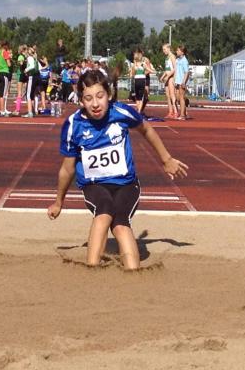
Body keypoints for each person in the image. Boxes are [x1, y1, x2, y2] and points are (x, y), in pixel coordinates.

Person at [47, 70, 188, 270]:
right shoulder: (73, 125)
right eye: (88, 98)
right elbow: (67, 169)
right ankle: (91, 270)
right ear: (80, 101)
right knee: (104, 212)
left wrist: (166, 159)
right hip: (94, 185)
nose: (95, 104)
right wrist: (58, 202)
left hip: (126, 184)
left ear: (109, 95)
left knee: (120, 223)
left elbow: (146, 129)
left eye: (100, 96)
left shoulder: (121, 112)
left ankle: (134, 273)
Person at [160, 43, 177, 119]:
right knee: (167, 96)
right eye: (163, 49)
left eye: (164, 49)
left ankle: (175, 112)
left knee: (172, 95)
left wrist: (168, 76)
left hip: (171, 77)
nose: (163, 51)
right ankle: (170, 111)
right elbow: (167, 69)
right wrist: (163, 76)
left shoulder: (172, 56)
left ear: (169, 48)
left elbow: (175, 68)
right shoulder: (166, 57)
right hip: (167, 77)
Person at [174, 45, 190, 119]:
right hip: (177, 81)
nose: (176, 51)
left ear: (182, 52)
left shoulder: (184, 61)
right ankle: (186, 101)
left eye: (178, 50)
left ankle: (182, 115)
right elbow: (176, 71)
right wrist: (175, 80)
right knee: (177, 99)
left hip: (182, 82)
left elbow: (187, 72)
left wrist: (183, 82)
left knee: (181, 98)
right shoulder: (177, 60)